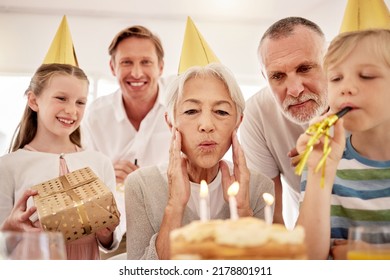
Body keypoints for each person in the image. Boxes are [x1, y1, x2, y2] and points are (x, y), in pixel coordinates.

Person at [124, 63, 275, 260]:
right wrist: (174, 206)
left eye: (221, 112)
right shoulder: (141, 185)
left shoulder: (260, 187)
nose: (206, 125)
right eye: (191, 111)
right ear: (170, 121)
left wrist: (242, 211)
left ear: (238, 122)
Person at [0, 63, 121, 260]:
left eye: (80, 102)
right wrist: (10, 227)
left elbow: (107, 242)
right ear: (33, 100)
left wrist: (106, 233)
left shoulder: (100, 163)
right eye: (61, 98)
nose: (72, 110)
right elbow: (3, 249)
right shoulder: (8, 166)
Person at [296, 29, 390, 259]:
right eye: (336, 78)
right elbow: (303, 263)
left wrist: (372, 255)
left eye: (366, 75)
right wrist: (321, 174)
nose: (346, 87)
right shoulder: (323, 160)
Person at [81, 26, 172, 257]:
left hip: (170, 224)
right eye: (126, 62)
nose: (137, 73)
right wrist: (105, 174)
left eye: (146, 62)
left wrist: (144, 181)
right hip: (114, 229)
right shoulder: (96, 115)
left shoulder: (179, 108)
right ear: (113, 67)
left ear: (161, 67)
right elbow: (85, 182)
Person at [239, 17, 329, 228]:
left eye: (305, 68)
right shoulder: (256, 113)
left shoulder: (365, 102)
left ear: (330, 61)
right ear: (264, 77)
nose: (295, 89)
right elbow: (271, 221)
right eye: (278, 76)